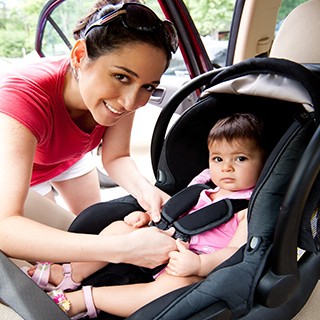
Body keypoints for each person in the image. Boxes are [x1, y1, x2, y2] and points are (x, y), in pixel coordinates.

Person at [0, 1, 179, 272]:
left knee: (90, 227)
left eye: (148, 86)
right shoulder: (23, 99)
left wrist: (147, 192)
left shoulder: (122, 96)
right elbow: (7, 226)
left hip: (69, 158)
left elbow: (116, 156)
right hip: (19, 174)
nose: (131, 102)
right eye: (121, 77)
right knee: (51, 256)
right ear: (80, 56)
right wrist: (124, 250)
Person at [36, 113, 267, 319]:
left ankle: (87, 299)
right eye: (218, 159)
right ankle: (70, 273)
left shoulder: (250, 208)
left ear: (264, 163)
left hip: (190, 264)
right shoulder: (203, 186)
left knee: (172, 289)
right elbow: (175, 211)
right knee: (119, 228)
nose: (226, 167)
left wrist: (199, 264)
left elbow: (234, 254)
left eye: (240, 159)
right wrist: (146, 218)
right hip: (160, 240)